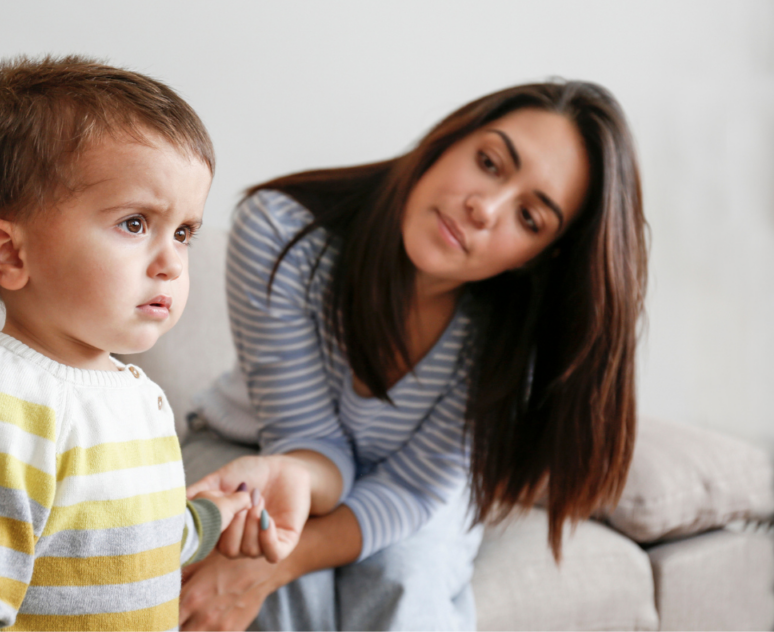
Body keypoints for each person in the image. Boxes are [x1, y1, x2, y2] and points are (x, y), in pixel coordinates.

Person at [180, 80, 648, 631]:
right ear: (449, 140)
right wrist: (274, 551)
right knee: (260, 540)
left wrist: (273, 568)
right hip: (263, 446)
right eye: (490, 162)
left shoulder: (509, 337)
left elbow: (411, 490)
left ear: (538, 256)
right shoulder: (280, 232)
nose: (483, 207)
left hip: (411, 487)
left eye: (529, 219)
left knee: (404, 576)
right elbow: (305, 443)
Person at [0, 55, 306, 632]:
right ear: (10, 254)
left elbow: (136, 542)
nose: (171, 263)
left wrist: (213, 515)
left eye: (184, 232)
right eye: (136, 223)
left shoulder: (134, 394)